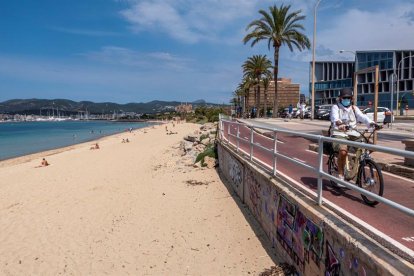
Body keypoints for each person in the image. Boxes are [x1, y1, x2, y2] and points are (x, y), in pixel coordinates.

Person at [330, 88, 376, 183]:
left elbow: (362, 117)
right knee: (343, 152)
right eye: (344, 98)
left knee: (370, 147)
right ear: (340, 98)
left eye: (349, 98)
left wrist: (371, 123)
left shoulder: (354, 108)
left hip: (353, 133)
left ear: (351, 98)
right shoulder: (336, 107)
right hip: (339, 133)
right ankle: (341, 174)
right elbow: (335, 118)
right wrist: (340, 124)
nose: (347, 100)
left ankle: (354, 162)